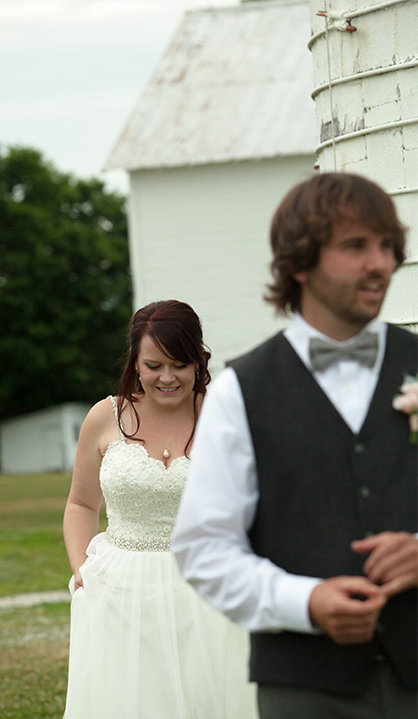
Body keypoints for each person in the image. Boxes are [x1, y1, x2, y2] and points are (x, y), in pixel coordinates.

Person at [172, 173, 418, 719]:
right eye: (355, 247)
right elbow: (203, 548)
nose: (379, 263)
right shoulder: (242, 390)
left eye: (386, 246)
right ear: (300, 262)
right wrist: (304, 601)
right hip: (305, 691)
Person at [62, 299, 257, 719]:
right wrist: (82, 570)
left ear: (198, 362)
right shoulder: (104, 417)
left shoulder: (226, 417)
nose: (167, 378)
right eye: (153, 366)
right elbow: (80, 503)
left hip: (205, 589)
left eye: (179, 364)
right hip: (120, 591)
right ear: (135, 362)